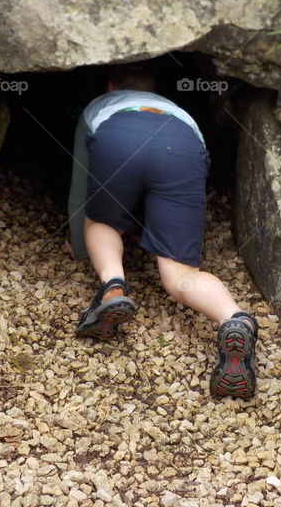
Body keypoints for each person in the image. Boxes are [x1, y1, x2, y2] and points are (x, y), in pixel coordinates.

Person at [66, 62, 258, 399]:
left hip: (117, 138)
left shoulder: (100, 107)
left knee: (102, 219)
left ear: (111, 86)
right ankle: (235, 319)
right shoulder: (178, 112)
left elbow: (81, 188)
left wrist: (79, 242)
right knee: (179, 274)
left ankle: (113, 286)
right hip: (180, 146)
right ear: (154, 92)